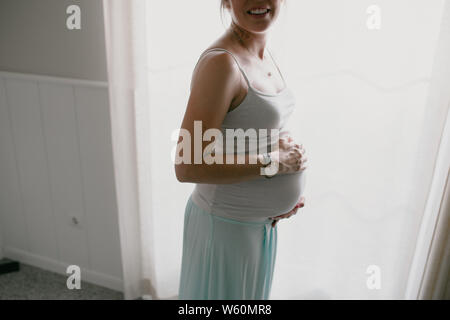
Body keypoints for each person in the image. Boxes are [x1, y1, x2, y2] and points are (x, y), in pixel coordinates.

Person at [174, 0, 308, 299]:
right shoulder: (221, 63)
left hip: (258, 228)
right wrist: (275, 164)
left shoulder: (266, 52)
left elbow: (254, 125)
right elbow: (187, 166)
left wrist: (284, 150)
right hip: (224, 230)